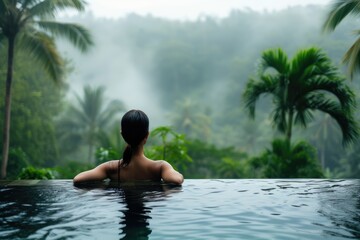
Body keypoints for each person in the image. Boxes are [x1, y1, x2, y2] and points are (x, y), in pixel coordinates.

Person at [73, 109, 184, 185]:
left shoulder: (111, 168)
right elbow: (176, 180)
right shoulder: (159, 167)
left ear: (122, 135)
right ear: (147, 135)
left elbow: (78, 179)